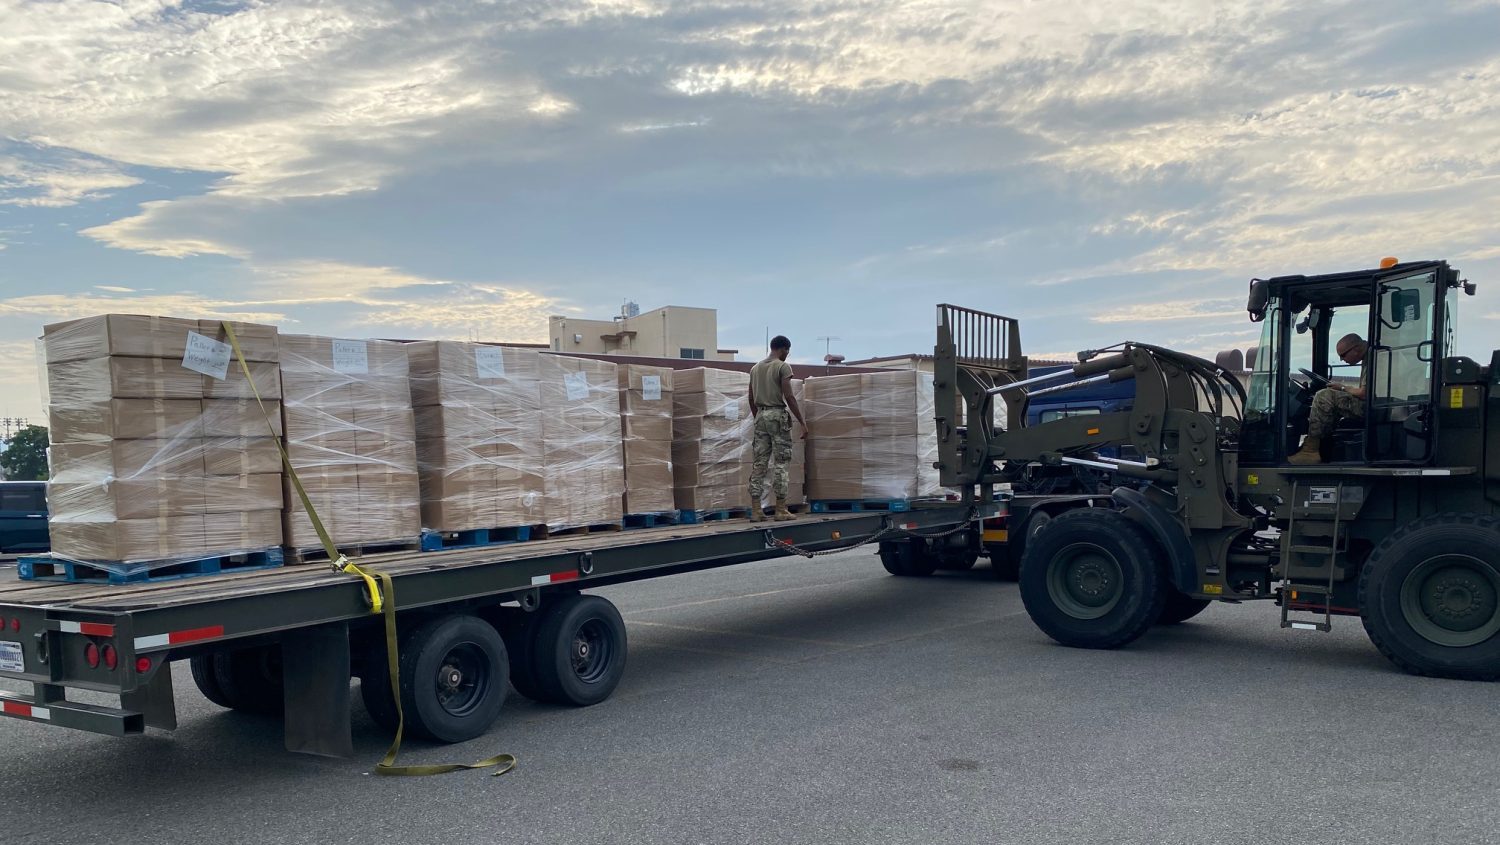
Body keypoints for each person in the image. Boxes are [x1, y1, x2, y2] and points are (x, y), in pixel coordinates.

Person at [748, 335, 807, 522]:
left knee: (759, 464)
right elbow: (789, 396)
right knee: (781, 462)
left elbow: (750, 397)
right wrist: (802, 422)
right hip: (776, 415)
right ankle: (781, 509)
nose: (787, 354)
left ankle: (756, 510)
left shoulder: (755, 369)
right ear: (783, 349)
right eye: (787, 351)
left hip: (760, 416)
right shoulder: (782, 366)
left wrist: (758, 416)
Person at [1289, 332, 1368, 465]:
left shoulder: (1376, 357)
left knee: (1323, 396)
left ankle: (1311, 451)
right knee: (1329, 400)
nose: (1342, 360)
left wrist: (1342, 388)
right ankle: (1324, 449)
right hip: (1373, 405)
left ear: (1356, 349)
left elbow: (1364, 394)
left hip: (1371, 407)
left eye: (1343, 355)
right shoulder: (1371, 355)